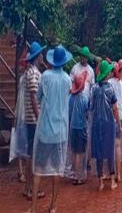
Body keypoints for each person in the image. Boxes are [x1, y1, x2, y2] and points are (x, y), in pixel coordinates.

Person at [28, 45, 72, 213]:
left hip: (45, 130)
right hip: (60, 132)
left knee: (38, 169)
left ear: (52, 61)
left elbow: (38, 98)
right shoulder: (67, 79)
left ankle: (33, 208)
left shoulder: (44, 77)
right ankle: (53, 207)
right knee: (56, 170)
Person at [90, 60, 120, 191]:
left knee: (99, 152)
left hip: (97, 124)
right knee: (110, 151)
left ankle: (101, 182)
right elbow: (115, 108)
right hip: (109, 124)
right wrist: (118, 123)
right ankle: (112, 181)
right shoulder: (110, 88)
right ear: (107, 74)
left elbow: (90, 107)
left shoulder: (94, 88)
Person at [23, 42, 46, 200]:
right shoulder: (34, 74)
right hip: (33, 119)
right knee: (33, 154)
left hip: (29, 118)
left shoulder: (29, 72)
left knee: (30, 153)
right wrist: (39, 119)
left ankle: (28, 187)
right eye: (41, 54)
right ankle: (31, 189)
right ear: (37, 56)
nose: (43, 56)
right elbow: (33, 97)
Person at [67, 71, 89, 185]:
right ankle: (78, 176)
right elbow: (87, 114)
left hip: (72, 127)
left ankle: (74, 174)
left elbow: (68, 112)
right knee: (80, 152)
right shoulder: (84, 99)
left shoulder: (70, 98)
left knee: (74, 151)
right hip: (81, 128)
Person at [109, 62, 122, 183]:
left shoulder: (109, 84)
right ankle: (119, 174)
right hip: (120, 115)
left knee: (110, 145)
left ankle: (109, 172)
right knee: (118, 146)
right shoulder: (120, 83)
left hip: (111, 116)